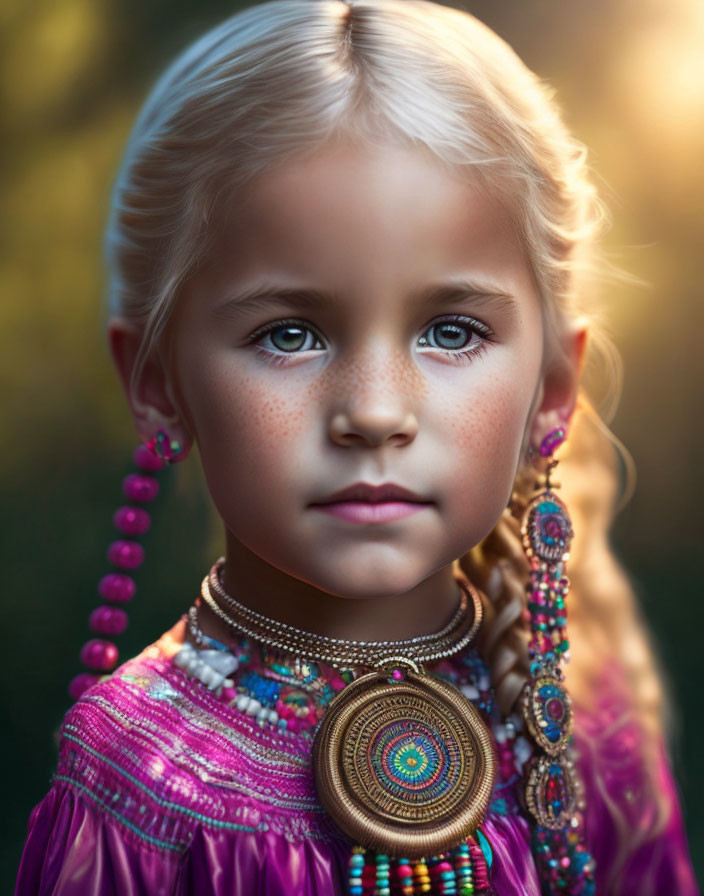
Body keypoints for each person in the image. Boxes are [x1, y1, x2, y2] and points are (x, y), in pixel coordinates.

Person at [15, 1, 699, 894]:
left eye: (451, 331)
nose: (376, 412)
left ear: (551, 390)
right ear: (156, 381)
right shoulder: (137, 783)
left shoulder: (580, 733)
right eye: (291, 335)